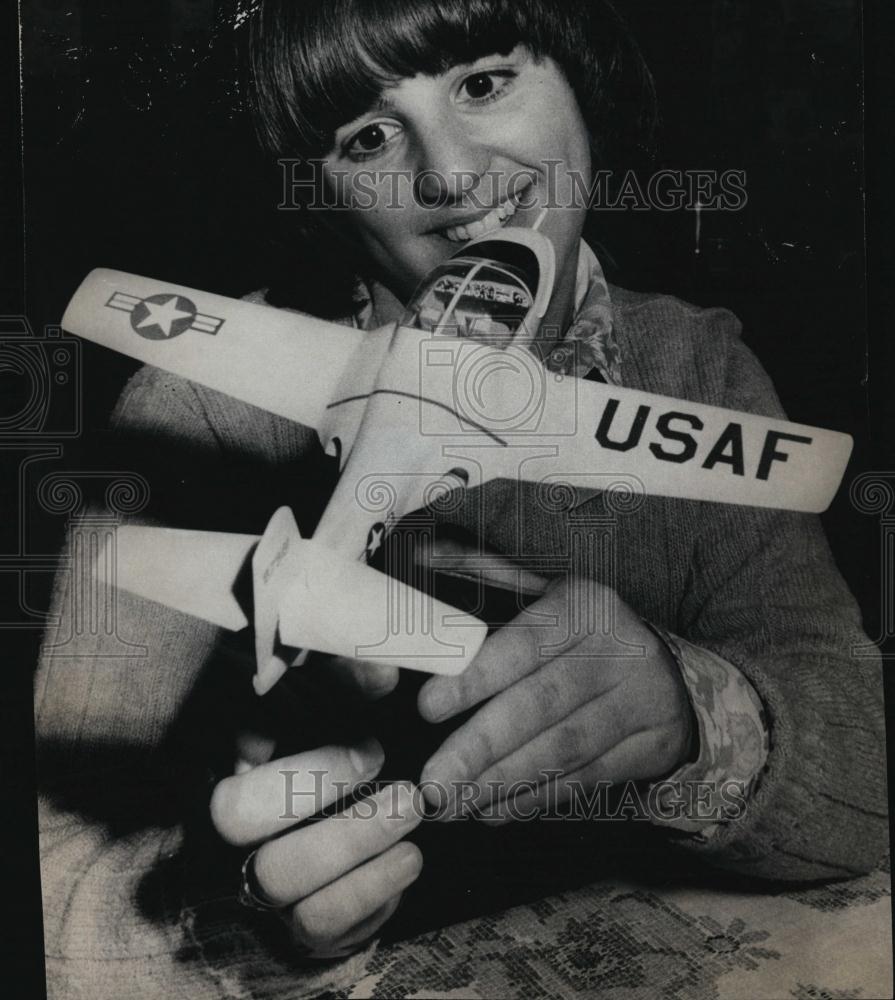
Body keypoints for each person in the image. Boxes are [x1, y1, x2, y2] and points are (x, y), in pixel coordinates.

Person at [35, 1, 887, 996]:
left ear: (581, 79)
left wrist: (690, 715)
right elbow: (45, 861)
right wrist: (236, 927)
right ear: (316, 192)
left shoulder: (699, 368)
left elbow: (866, 769)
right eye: (367, 137)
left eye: (483, 83)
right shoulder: (195, 413)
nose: (447, 177)